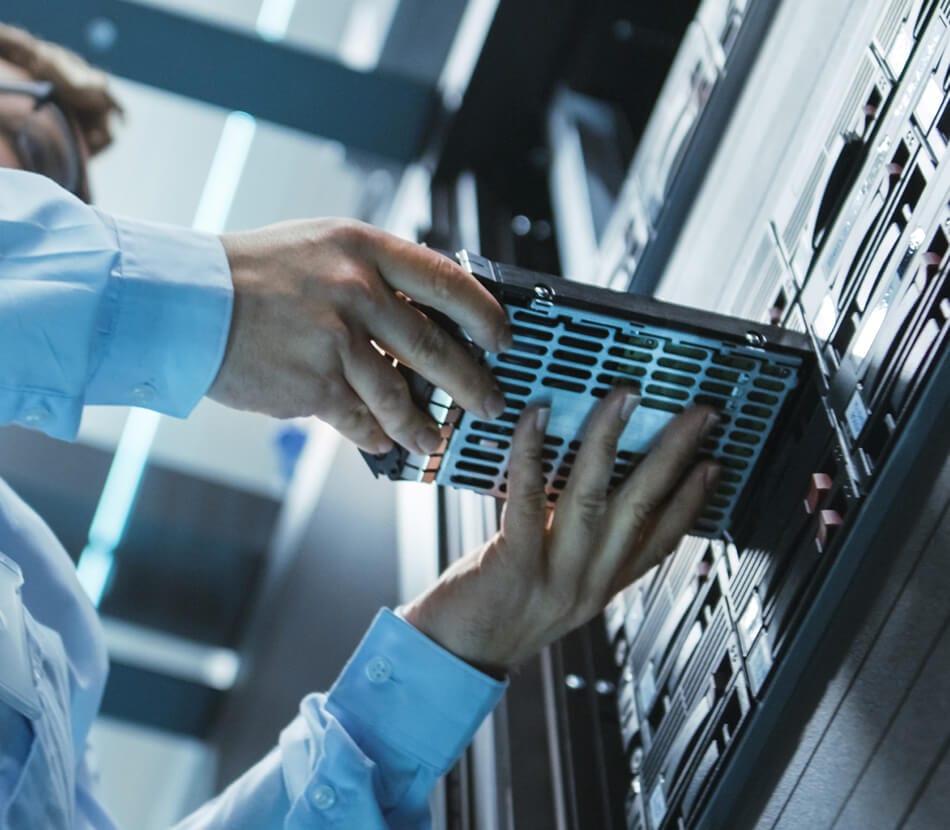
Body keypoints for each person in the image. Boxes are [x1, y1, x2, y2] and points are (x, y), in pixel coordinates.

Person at [0, 24, 720, 829]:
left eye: (58, 202)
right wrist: (213, 299)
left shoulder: (46, 617)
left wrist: (448, 649)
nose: (40, 210)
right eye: (20, 139)